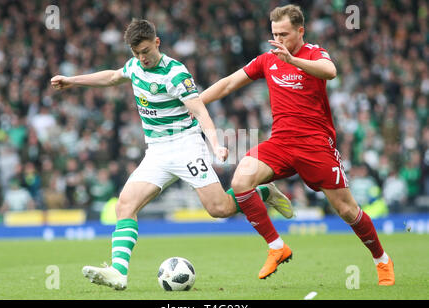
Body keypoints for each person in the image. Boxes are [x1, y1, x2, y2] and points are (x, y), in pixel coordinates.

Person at [51, 19, 293, 290]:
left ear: (157, 43)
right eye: (136, 54)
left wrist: (215, 144)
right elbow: (111, 76)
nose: (142, 59)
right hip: (156, 151)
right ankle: (119, 272)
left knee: (219, 209)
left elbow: (200, 111)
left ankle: (264, 192)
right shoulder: (134, 66)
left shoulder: (176, 73)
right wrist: (72, 80)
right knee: (125, 206)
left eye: (146, 51)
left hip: (186, 146)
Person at [200, 5, 395, 285]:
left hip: (315, 145)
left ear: (300, 31)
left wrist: (293, 59)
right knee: (241, 179)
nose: (278, 40)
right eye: (275, 34)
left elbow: (330, 71)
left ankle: (382, 260)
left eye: (284, 34)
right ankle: (277, 247)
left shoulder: (313, 53)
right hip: (280, 142)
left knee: (347, 210)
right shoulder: (267, 60)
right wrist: (194, 104)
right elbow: (229, 83)